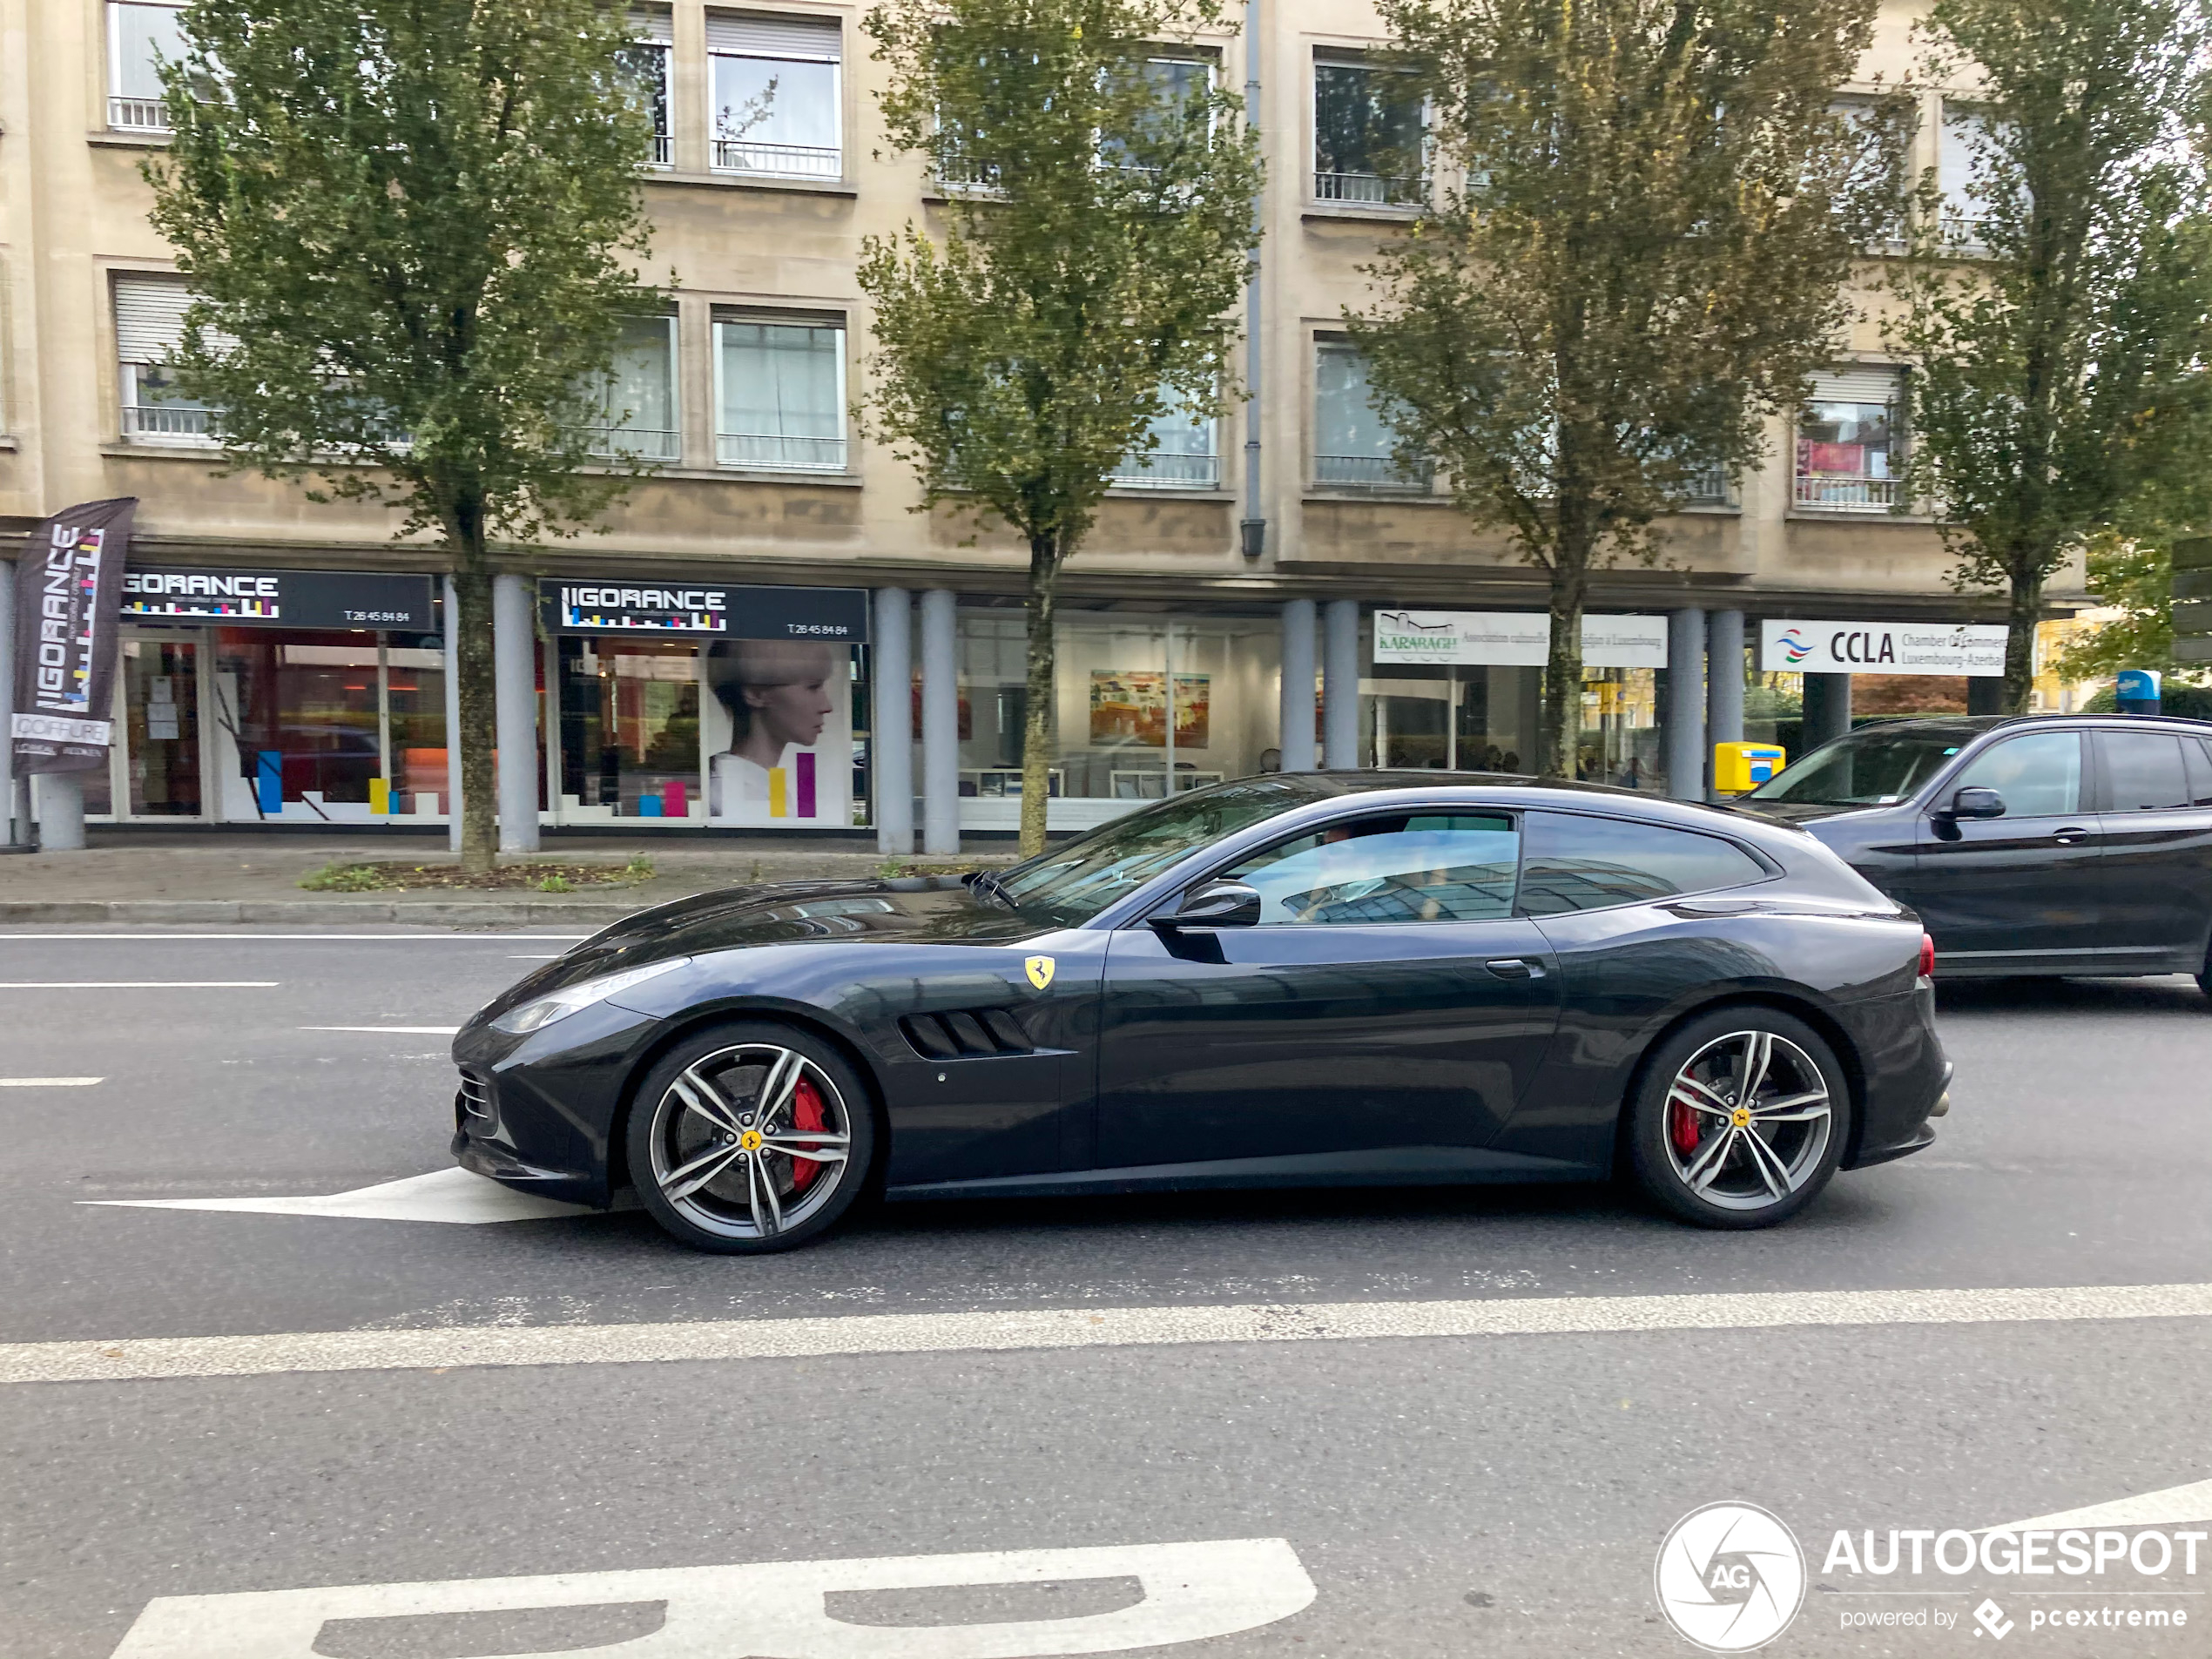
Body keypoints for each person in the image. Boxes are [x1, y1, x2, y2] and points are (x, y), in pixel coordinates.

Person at [706, 638, 838, 816]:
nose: (826, 706)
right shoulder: (735, 792)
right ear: (755, 694)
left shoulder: (761, 783)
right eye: (813, 687)